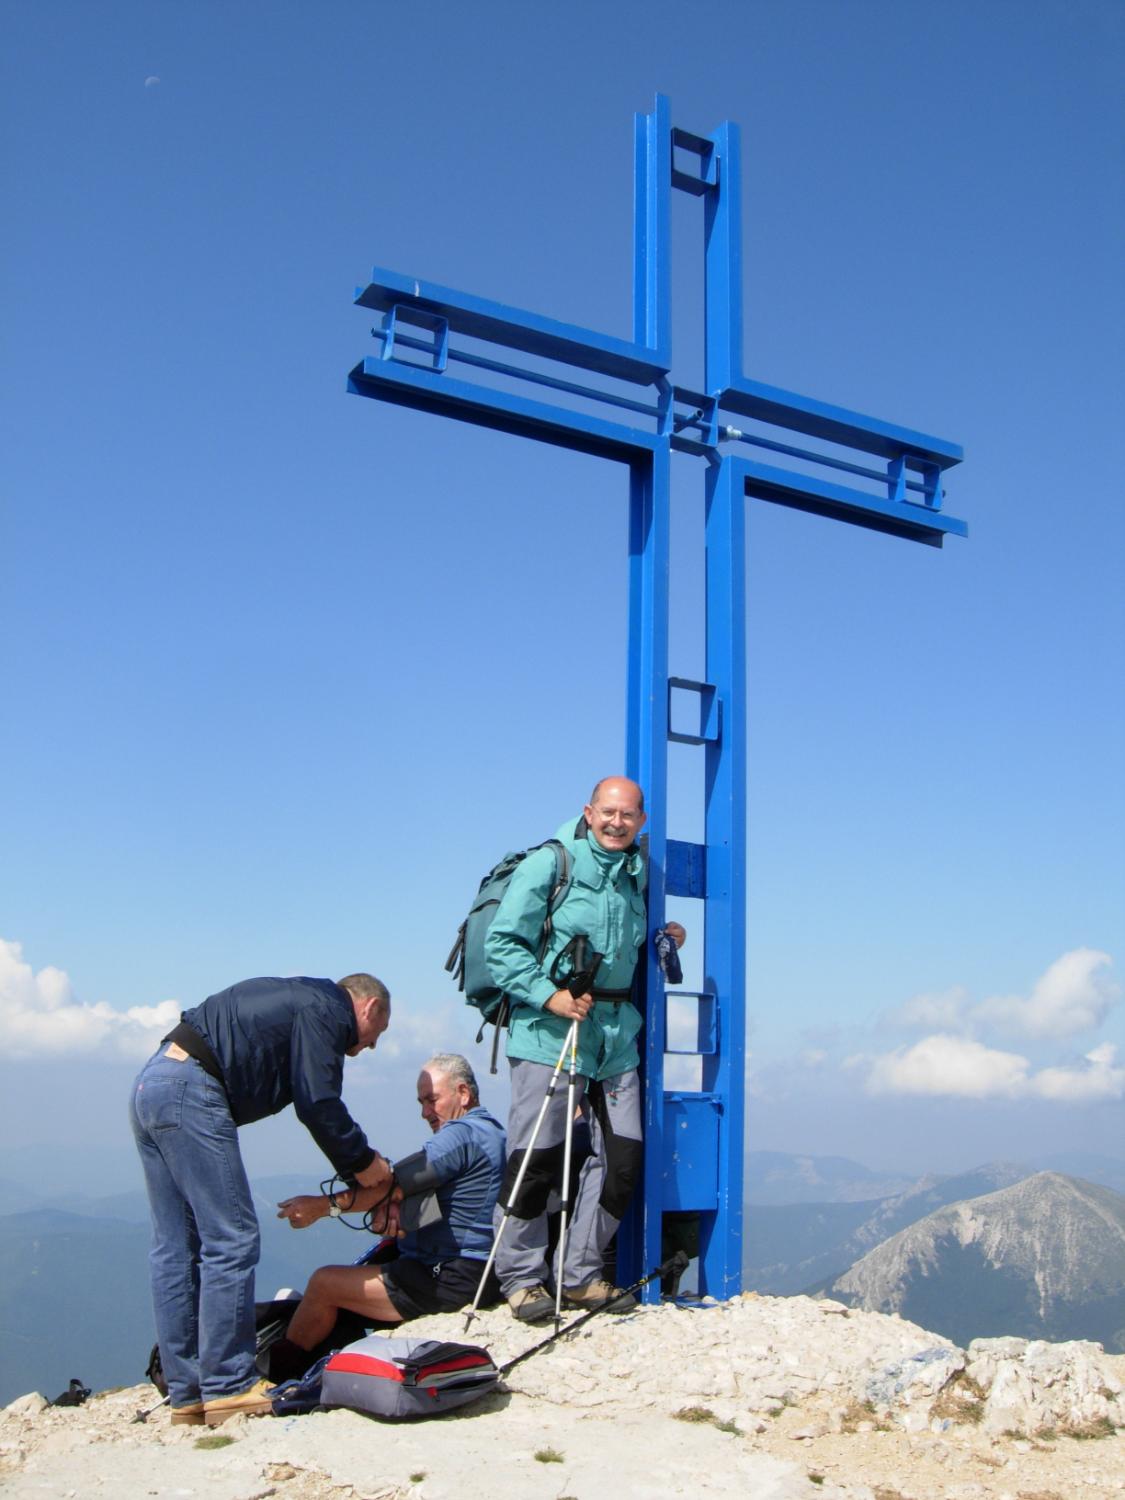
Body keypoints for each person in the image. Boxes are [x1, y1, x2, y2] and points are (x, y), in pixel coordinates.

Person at [129, 973, 394, 1426]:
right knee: (231, 1237)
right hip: (191, 1087)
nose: (369, 1047)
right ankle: (228, 1386)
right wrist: (364, 1163)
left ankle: (188, 1393)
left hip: (154, 1082)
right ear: (368, 1009)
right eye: (377, 1035)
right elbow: (317, 1101)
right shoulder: (326, 1008)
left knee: (175, 1248)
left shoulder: (302, 999)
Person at [484, 776, 685, 1322]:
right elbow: (500, 944)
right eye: (608, 813)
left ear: (641, 821)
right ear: (589, 812)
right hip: (549, 1034)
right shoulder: (551, 865)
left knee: (622, 1158)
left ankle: (578, 1276)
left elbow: (626, 943)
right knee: (537, 1158)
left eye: (628, 815)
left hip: (616, 1037)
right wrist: (548, 996)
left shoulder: (637, 875)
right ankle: (523, 1280)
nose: (617, 823)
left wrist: (667, 936)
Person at [269, 1052, 506, 1378]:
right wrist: (399, 1212)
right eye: (421, 1102)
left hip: (452, 1276)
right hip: (478, 1269)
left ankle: (277, 1375)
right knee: (359, 1281)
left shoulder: (463, 1133)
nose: (425, 1112)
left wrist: (323, 1206)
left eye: (432, 1100)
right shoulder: (494, 1134)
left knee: (324, 1283)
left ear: (463, 1093)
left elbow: (397, 1180)